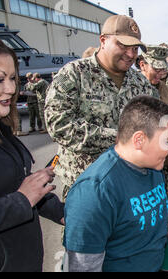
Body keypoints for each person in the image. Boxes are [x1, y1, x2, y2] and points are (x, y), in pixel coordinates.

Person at [45, 15, 156, 201]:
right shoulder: (74, 74)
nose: (130, 54)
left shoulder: (141, 83)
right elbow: (59, 125)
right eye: (123, 46)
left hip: (130, 184)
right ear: (103, 40)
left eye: (135, 48)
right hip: (86, 186)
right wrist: (118, 138)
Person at [63, 96, 168, 272]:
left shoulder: (153, 167)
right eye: (167, 140)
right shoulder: (95, 192)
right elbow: (83, 267)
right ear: (139, 140)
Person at [0, 33, 64, 272]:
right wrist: (22, 199)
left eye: (13, 78)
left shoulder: (1, 129)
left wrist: (63, 214)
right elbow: (21, 196)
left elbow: (17, 186)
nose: (11, 89)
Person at [136, 44, 168, 231]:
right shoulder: (134, 88)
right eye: (156, 69)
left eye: (163, 69)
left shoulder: (163, 87)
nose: (161, 73)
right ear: (142, 65)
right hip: (148, 166)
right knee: (154, 217)